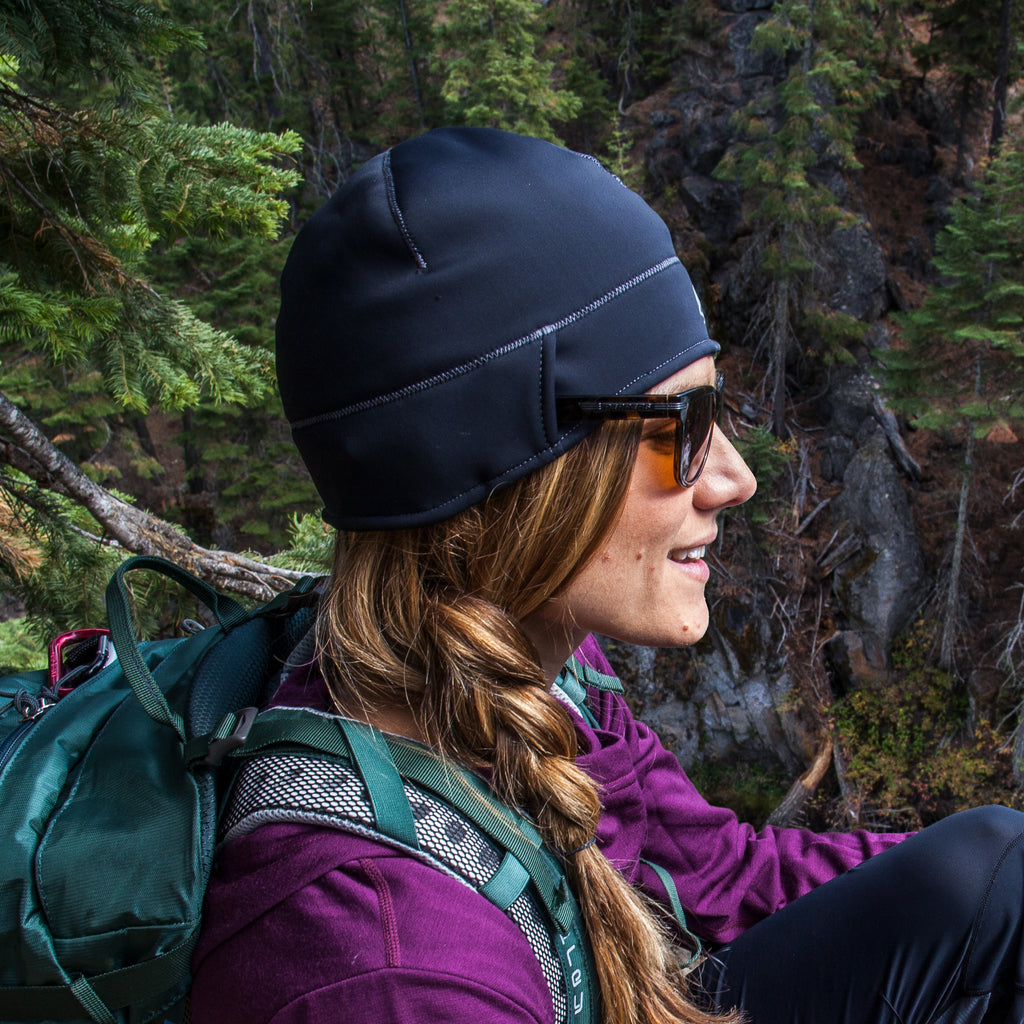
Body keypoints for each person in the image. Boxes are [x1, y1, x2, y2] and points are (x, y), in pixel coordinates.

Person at [191, 127, 1024, 1024]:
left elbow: (722, 877)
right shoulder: (393, 971)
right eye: (684, 424)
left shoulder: (538, 665)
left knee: (990, 872)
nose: (735, 478)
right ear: (517, 467)